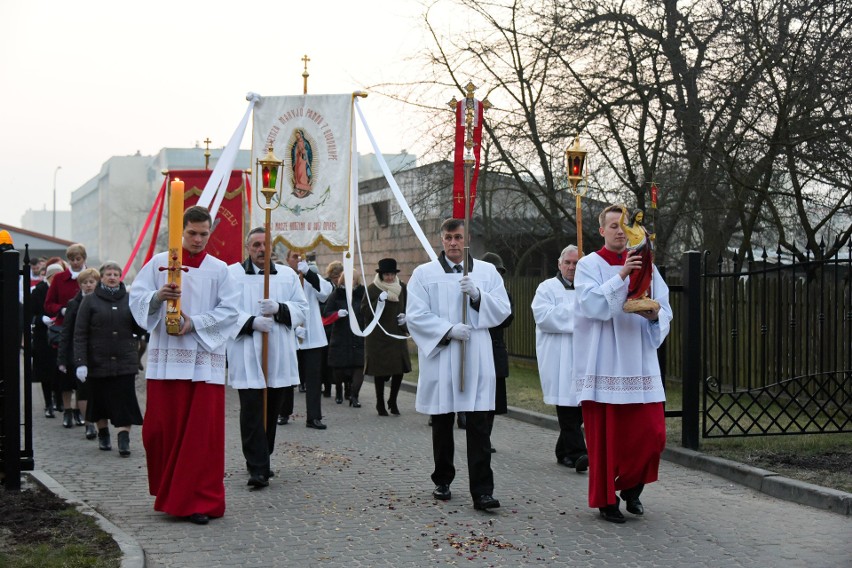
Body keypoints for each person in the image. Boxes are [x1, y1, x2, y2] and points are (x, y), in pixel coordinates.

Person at [129, 205, 239, 525]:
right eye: (192, 233)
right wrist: (156, 297)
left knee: (201, 435)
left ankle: (198, 500)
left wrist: (194, 324)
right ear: (181, 231)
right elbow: (137, 300)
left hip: (204, 362)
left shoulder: (220, 270)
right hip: (167, 360)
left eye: (204, 234)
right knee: (160, 430)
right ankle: (170, 492)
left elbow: (231, 311)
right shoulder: (159, 263)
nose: (198, 239)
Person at [572, 204, 672, 523]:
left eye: (624, 227)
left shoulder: (648, 265)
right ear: (602, 231)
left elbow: (664, 305)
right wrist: (622, 275)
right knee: (607, 440)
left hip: (640, 360)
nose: (619, 231)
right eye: (613, 226)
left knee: (653, 435)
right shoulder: (589, 264)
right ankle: (607, 501)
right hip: (605, 361)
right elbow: (591, 306)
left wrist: (655, 316)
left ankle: (631, 487)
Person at [406, 218, 511, 511]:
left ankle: (482, 490)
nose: (453, 242)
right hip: (443, 354)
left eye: (458, 237)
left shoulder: (487, 272)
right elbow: (415, 314)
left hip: (476, 353)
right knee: (442, 421)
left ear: (467, 240)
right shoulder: (424, 274)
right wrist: (448, 330)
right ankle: (443, 479)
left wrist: (478, 297)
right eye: (449, 237)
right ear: (442, 240)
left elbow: (504, 310)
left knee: (478, 424)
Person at [227, 228, 308, 488]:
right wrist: (251, 322)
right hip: (248, 351)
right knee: (252, 410)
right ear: (247, 247)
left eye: (266, 245)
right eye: (256, 245)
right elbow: (225, 311)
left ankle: (264, 456)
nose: (262, 250)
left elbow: (302, 308)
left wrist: (280, 309)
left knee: (271, 410)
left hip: (278, 352)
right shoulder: (232, 275)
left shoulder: (286, 275)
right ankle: (257, 467)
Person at [73, 262, 145, 456]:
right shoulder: (90, 300)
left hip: (125, 360)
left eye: (116, 274)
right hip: (98, 360)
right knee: (100, 401)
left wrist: (147, 312)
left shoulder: (130, 300)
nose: (112, 277)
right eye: (108, 274)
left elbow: (140, 328)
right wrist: (81, 362)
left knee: (125, 400)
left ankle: (124, 439)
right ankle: (103, 433)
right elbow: (80, 333)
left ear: (120, 277)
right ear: (101, 278)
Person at [531, 245, 589, 473]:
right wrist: (581, 313)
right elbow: (545, 317)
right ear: (560, 264)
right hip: (559, 357)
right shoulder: (546, 288)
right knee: (566, 407)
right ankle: (578, 454)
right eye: (569, 263)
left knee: (580, 410)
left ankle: (563, 451)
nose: (572, 267)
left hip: (583, 356)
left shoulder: (587, 289)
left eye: (576, 263)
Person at [279, 249, 332, 429]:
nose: (298, 260)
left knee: (314, 379)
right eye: (295, 257)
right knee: (287, 378)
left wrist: (308, 273)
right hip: (290, 334)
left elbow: (326, 292)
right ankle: (283, 412)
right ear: (287, 260)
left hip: (313, 337)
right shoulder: (282, 277)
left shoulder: (311, 277)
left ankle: (313, 417)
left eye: (301, 257)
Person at [44, 243, 87, 428]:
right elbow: (48, 303)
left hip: (86, 330)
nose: (76, 263)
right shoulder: (60, 278)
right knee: (66, 373)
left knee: (82, 376)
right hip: (65, 330)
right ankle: (68, 411)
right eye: (72, 259)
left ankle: (80, 410)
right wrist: (60, 310)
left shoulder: (90, 276)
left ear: (84, 258)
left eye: (79, 259)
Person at [361, 258, 411, 416]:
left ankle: (393, 400)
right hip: (378, 337)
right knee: (380, 371)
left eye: (391, 274)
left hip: (396, 334)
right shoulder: (372, 289)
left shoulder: (402, 287)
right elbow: (364, 312)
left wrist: (406, 318)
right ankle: (380, 402)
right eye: (386, 275)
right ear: (381, 275)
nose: (389, 277)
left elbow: (409, 306)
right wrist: (378, 302)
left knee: (399, 371)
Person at [57, 267, 100, 440]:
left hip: (98, 352)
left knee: (96, 391)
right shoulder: (73, 304)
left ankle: (98, 422)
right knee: (83, 390)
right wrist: (62, 358)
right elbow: (66, 331)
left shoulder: (101, 301)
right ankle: (89, 424)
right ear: (80, 285)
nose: (88, 285)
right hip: (79, 352)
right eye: (85, 283)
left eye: (91, 282)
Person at [479, 252, 514, 453]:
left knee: (492, 401)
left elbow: (507, 318)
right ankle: (477, 436)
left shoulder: (505, 294)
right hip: (476, 350)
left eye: (499, 272)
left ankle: (486, 438)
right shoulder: (472, 291)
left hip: (495, 350)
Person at [323, 269, 367, 407]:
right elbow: (326, 315)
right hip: (341, 336)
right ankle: (339, 390)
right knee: (339, 369)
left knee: (359, 367)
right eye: (347, 279)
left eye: (352, 279)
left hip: (358, 336)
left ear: (356, 280)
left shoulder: (362, 294)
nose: (350, 282)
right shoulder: (336, 294)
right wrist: (337, 314)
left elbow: (370, 311)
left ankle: (354, 396)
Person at [31, 259, 65, 418]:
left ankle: (59, 400)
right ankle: (48, 404)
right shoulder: (39, 290)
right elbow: (30, 314)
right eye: (54, 276)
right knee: (45, 371)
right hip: (43, 336)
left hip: (60, 335)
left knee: (60, 370)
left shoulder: (62, 290)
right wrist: (42, 319)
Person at [319, 261, 343, 400]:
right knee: (326, 359)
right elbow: (322, 307)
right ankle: (327, 387)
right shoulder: (326, 285)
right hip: (327, 327)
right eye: (335, 276)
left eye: (339, 276)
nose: (337, 279)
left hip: (339, 327)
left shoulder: (344, 286)